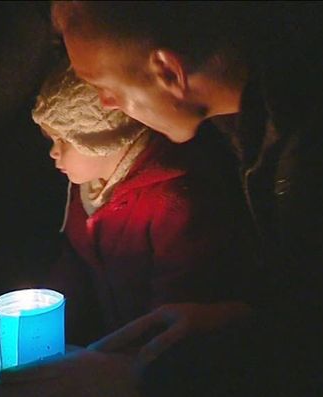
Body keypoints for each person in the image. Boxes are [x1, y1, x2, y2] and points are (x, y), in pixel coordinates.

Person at [0, 2, 323, 397]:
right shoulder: (257, 126)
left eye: (104, 88)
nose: (107, 106)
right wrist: (233, 317)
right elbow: (311, 296)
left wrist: (145, 379)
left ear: (168, 71)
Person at [31, 62, 252, 347]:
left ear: (106, 137)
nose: (53, 152)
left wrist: (130, 363)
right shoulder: (87, 190)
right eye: (50, 139)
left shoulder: (173, 203)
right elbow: (76, 264)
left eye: (65, 140)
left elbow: (176, 305)